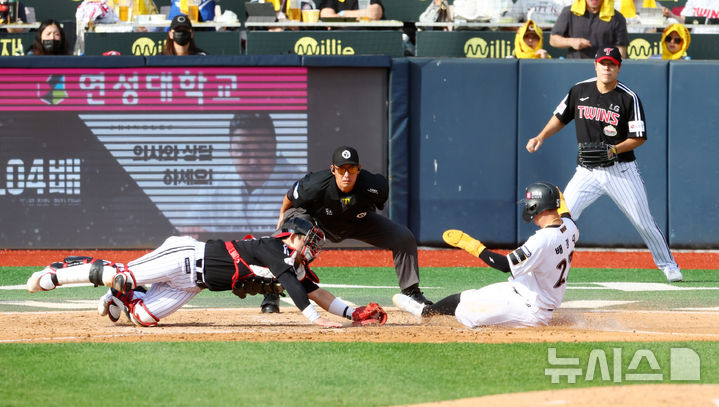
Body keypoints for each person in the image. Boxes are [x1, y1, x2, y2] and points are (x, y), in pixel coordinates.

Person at [25, 213, 388, 328]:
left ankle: (122, 296)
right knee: (118, 273)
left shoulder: (292, 263)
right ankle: (61, 272)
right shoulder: (275, 248)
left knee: (144, 318)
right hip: (185, 256)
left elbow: (315, 291)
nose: (312, 247)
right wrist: (313, 319)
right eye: (308, 239)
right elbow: (294, 288)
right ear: (291, 236)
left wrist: (351, 312)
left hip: (193, 284)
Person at [526, 47, 683, 282]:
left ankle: (668, 265)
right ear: (595, 65)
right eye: (603, 63)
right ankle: (540, 265)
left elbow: (639, 137)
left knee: (643, 221)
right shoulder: (579, 90)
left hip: (620, 171)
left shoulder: (628, 97)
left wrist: (613, 149)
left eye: (611, 64)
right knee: (561, 217)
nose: (607, 67)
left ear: (619, 67)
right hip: (586, 172)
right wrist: (541, 136)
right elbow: (561, 117)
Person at [260, 146, 432, 314]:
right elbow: (289, 198)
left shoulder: (375, 186)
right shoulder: (315, 184)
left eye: (351, 169)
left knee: (403, 237)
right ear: (333, 170)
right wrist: (282, 217)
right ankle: (271, 292)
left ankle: (411, 293)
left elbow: (375, 205)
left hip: (356, 222)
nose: (347, 175)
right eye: (341, 170)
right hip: (317, 222)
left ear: (359, 169)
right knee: (291, 243)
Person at [394, 182, 579, 328]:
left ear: (537, 206)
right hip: (522, 291)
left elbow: (505, 265)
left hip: (531, 309)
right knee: (465, 296)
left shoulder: (542, 240)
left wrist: (473, 246)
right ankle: (425, 312)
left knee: (467, 313)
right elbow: (566, 215)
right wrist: (558, 201)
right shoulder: (570, 227)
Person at [179, 112, 307, 235]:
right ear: (231, 151)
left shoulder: (301, 186)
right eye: (243, 151)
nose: (253, 162)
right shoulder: (214, 185)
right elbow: (189, 230)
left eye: (261, 150)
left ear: (274, 147)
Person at [550, 0, 629, 59]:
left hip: (604, 69)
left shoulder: (617, 18)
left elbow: (621, 51)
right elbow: (553, 40)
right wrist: (571, 42)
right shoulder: (569, 12)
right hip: (575, 66)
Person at [319, 0, 383, 21]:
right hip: (340, 37)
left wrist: (343, 14)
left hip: (366, 35)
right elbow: (327, 17)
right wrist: (360, 17)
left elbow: (374, 13)